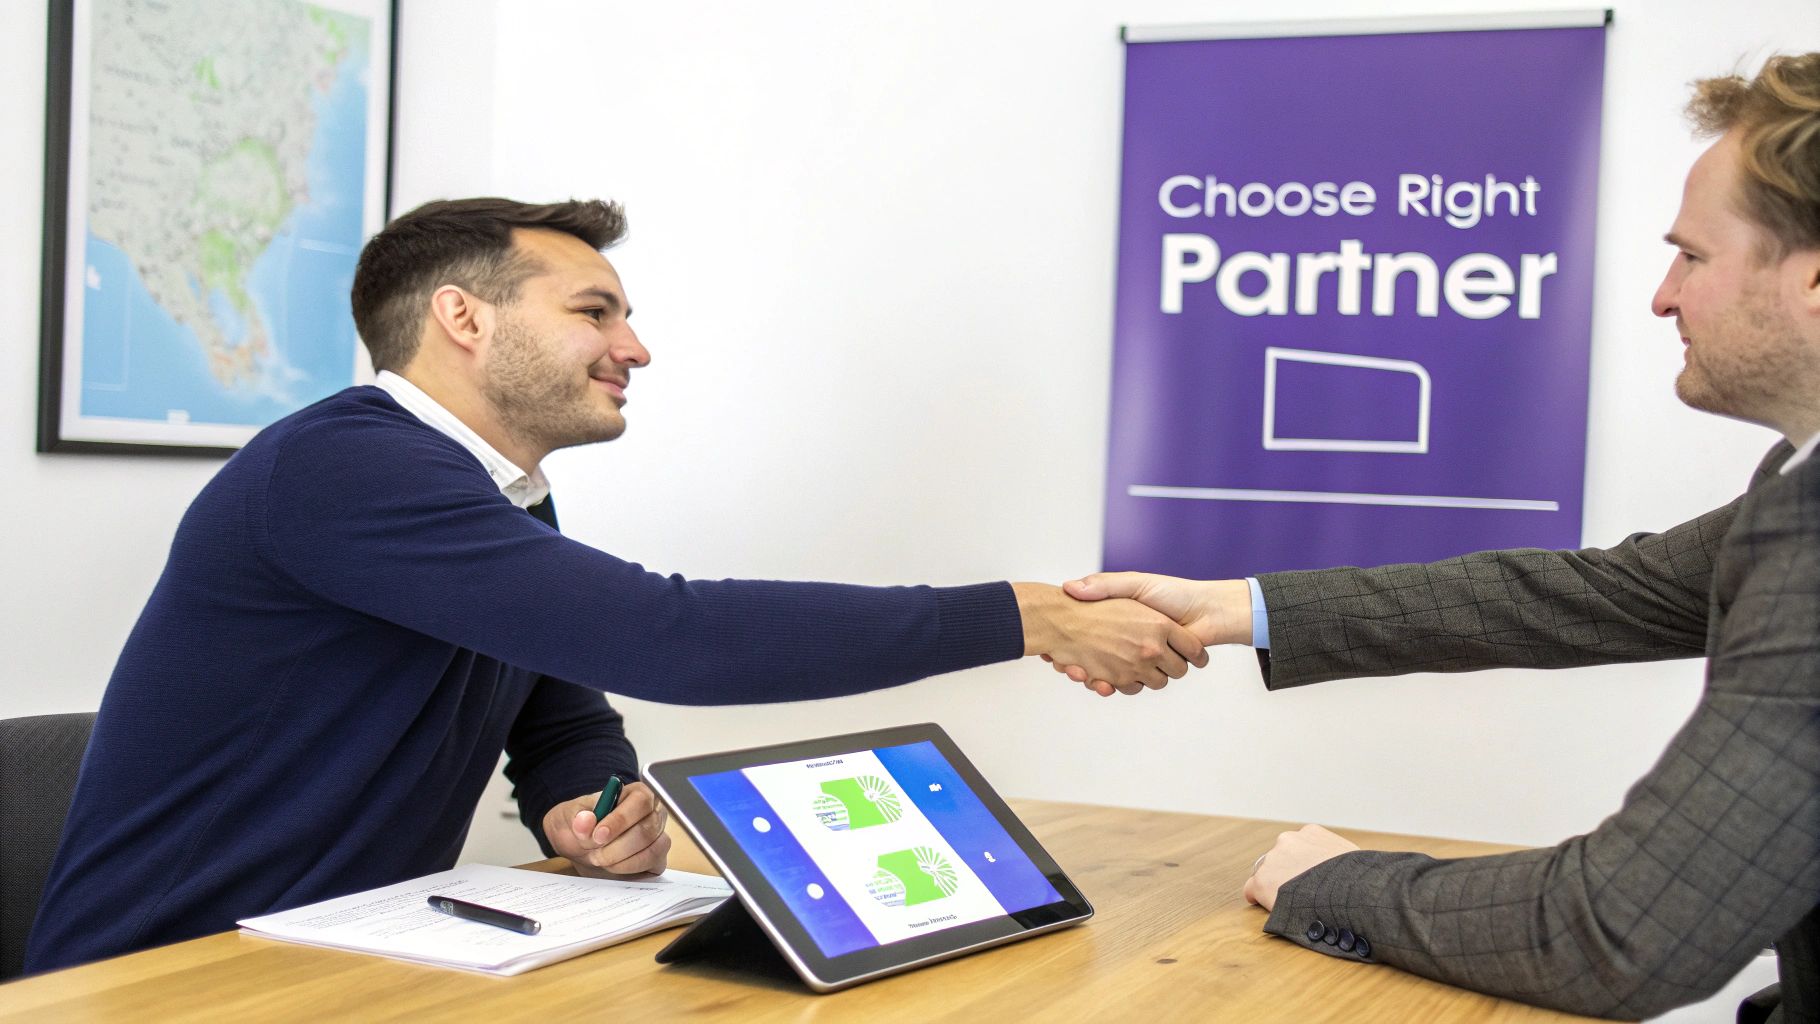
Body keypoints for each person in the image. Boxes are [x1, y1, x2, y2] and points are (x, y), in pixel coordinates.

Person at [23, 198, 1206, 974]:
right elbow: (669, 637)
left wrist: (587, 805)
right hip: (168, 975)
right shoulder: (340, 468)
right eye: (594, 311)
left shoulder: (497, 491)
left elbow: (558, 709)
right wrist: (1020, 613)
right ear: (461, 318)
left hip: (360, 955)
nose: (633, 347)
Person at [1058, 54, 1820, 1021]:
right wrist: (1232, 608)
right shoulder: (1795, 485)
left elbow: (1615, 933)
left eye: (1693, 257)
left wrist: (1332, 883)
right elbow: (1598, 594)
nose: (1663, 298)